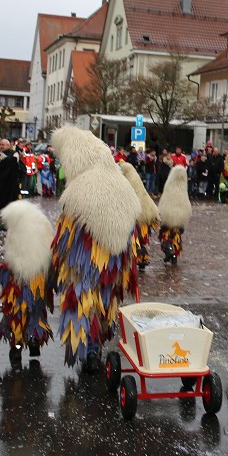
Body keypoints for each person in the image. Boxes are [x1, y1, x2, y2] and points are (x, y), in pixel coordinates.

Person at [49, 125, 139, 371]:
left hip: (84, 263)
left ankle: (87, 348)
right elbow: (133, 227)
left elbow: (66, 236)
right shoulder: (122, 186)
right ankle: (94, 348)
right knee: (104, 302)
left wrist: (59, 259)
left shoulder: (77, 191)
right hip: (114, 261)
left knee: (83, 301)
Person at [0, 201, 55, 366]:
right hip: (38, 277)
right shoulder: (42, 225)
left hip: (18, 277)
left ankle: (17, 348)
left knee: (17, 314)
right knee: (36, 309)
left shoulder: (15, 230)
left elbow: (11, 255)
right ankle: (34, 339)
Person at [120, 160, 159, 270]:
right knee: (141, 239)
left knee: (134, 239)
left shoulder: (125, 182)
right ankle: (142, 258)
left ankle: (136, 259)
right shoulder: (137, 182)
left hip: (136, 216)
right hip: (146, 214)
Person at [158, 164, 192, 264]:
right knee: (176, 234)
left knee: (166, 233)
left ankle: (169, 250)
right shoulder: (183, 187)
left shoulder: (169, 185)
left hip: (168, 212)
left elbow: (164, 198)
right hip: (181, 214)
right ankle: (174, 255)